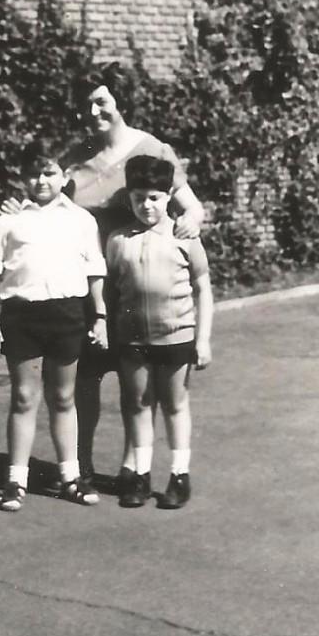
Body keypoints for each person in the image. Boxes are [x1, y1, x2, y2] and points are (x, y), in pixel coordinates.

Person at [0, 63, 205, 481]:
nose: (92, 112)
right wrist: (16, 209)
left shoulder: (152, 149)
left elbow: (191, 205)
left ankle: (133, 466)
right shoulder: (73, 160)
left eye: (100, 102)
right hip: (87, 287)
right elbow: (45, 201)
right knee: (85, 379)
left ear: (118, 101)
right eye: (85, 105)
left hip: (138, 288)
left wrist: (192, 221)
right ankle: (81, 465)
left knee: (138, 384)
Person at [0, 137, 109, 512]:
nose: (41, 181)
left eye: (49, 173)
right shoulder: (7, 220)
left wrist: (100, 315)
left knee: (64, 397)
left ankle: (70, 477)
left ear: (64, 176)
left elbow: (95, 269)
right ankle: (15, 481)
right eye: (34, 174)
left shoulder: (81, 220)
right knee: (24, 397)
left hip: (67, 314)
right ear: (23, 177)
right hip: (22, 316)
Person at [106, 155, 213, 508]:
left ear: (168, 197)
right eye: (139, 198)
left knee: (174, 404)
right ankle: (140, 475)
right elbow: (110, 290)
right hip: (132, 339)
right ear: (129, 199)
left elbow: (203, 288)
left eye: (154, 197)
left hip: (176, 335)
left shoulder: (184, 237)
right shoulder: (118, 240)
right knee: (138, 403)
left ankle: (179, 475)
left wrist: (203, 339)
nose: (147, 205)